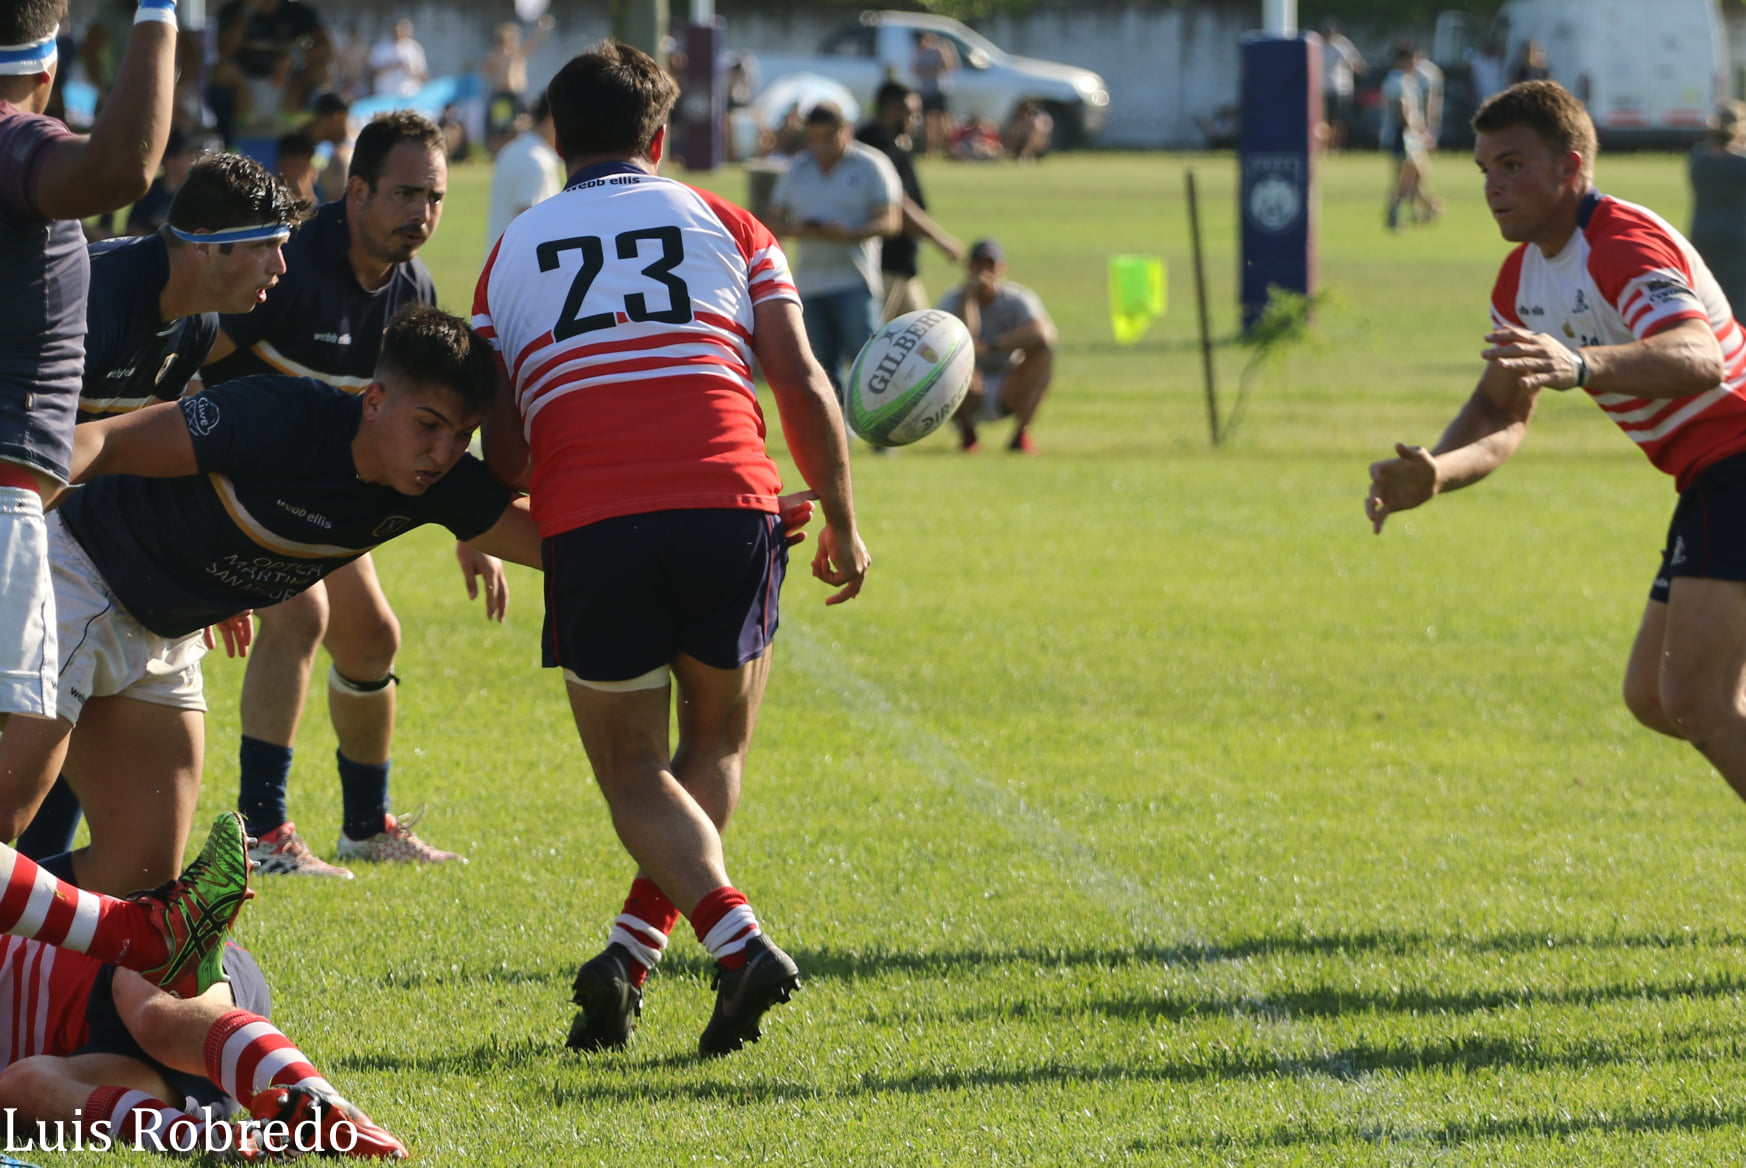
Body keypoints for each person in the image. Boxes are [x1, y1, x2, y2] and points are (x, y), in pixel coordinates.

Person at [473, 40, 870, 1058]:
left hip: (593, 523)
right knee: (717, 746)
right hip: (730, 500)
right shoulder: (728, 222)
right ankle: (634, 956)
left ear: (557, 140)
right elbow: (801, 379)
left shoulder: (510, 251)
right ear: (661, 137)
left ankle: (725, 950)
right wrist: (840, 513)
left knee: (633, 768)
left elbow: (507, 439)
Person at [12, 308, 537, 904]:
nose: (442, 453)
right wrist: (13, 520)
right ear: (374, 400)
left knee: (139, 868)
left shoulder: (437, 484)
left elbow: (563, 547)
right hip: (74, 581)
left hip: (164, 637)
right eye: (428, 424)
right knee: (8, 812)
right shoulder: (281, 416)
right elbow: (101, 441)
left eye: (461, 434)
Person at [1365, 81, 1746, 822]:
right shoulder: (1524, 280)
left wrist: (1582, 364)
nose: (1493, 188)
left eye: (1512, 166)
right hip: (1709, 478)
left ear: (1571, 168)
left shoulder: (1622, 245)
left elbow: (1699, 356)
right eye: (1482, 170)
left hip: (1739, 462)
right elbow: (1497, 411)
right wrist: (1439, 471)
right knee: (1653, 695)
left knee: (1698, 698)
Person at [11, 154, 303, 878]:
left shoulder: (196, 325)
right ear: (206, 242)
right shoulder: (90, 301)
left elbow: (134, 455)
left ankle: (44, 960)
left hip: (73, 557)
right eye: (268, 244)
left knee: (139, 861)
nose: (280, 267)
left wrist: (189, 575)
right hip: (22, 537)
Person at [202, 111, 473, 877]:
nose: (423, 213)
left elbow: (425, 422)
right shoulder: (286, 263)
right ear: (355, 192)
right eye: (406, 193)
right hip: (225, 476)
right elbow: (189, 364)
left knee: (372, 638)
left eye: (436, 197)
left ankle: (365, 826)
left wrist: (471, 530)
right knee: (304, 613)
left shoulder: (410, 289)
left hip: (311, 492)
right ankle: (261, 833)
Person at [0, 940, 405, 1158]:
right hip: (96, 1062)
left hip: (138, 961)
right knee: (20, 1088)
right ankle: (219, 1141)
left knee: (157, 1016)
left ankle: (326, 1106)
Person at [768, 102, 902, 404]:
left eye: (828, 137)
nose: (820, 146)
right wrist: (802, 230)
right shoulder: (798, 169)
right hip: (810, 282)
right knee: (822, 371)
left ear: (846, 130)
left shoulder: (870, 165)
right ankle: (839, 437)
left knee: (868, 365)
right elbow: (774, 220)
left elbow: (891, 220)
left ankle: (883, 434)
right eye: (813, 138)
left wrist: (849, 233)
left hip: (855, 280)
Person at [855, 80, 962, 321]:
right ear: (891, 110)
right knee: (876, 344)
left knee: (921, 341)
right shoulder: (878, 147)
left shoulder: (885, 142)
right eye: (910, 112)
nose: (916, 119)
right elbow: (899, 204)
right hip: (884, 265)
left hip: (902, 266)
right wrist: (941, 240)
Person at [940, 239, 1056, 454]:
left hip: (1007, 383)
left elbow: (1044, 333)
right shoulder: (952, 300)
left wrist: (993, 346)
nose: (984, 272)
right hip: (967, 386)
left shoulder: (1017, 298)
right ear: (968, 267)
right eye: (978, 265)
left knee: (1044, 354)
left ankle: (1020, 435)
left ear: (1002, 268)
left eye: (990, 265)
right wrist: (970, 298)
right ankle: (967, 434)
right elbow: (963, 340)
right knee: (949, 367)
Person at [1688, 101, 1746, 318]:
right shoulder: (1741, 163)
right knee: (1738, 301)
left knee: (1706, 297)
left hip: (1702, 232)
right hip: (1737, 235)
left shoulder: (1697, 157)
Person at [485, 92, 561, 247]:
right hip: (522, 266)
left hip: (502, 263)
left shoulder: (513, 149)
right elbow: (529, 226)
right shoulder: (537, 162)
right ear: (551, 120)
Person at [481, 13, 554, 153]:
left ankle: (517, 149)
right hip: (501, 94)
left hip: (517, 94)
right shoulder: (496, 55)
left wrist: (541, 29)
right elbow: (485, 71)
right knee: (500, 127)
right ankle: (499, 152)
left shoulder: (517, 53)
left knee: (524, 122)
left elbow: (534, 43)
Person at [1379, 44, 1426, 232]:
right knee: (1404, 177)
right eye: (1412, 59)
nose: (1415, 63)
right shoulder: (1396, 80)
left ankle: (1415, 212)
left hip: (1408, 135)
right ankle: (1394, 213)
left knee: (1416, 174)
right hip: (1401, 135)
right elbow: (1402, 109)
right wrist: (1413, 129)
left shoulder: (1408, 80)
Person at [125, 127, 200, 236]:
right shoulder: (149, 190)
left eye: (194, 154)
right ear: (170, 160)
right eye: (188, 155)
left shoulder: (195, 193)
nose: (193, 160)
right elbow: (132, 229)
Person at [910, 30, 958, 156]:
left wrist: (932, 68)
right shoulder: (918, 52)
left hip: (939, 89)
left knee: (942, 120)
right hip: (925, 90)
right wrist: (932, 70)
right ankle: (930, 149)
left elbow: (948, 66)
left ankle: (943, 148)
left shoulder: (938, 50)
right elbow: (916, 69)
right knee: (927, 122)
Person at [1320, 19, 1365, 152]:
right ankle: (1325, 146)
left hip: (1340, 89)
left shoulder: (1342, 45)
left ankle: (1335, 146)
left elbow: (1357, 64)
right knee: (1324, 120)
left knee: (1338, 121)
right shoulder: (1318, 45)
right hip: (1322, 89)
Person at [368, 19, 425, 100]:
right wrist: (391, 66)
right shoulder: (380, 47)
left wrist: (408, 68)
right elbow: (373, 72)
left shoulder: (414, 48)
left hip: (410, 94)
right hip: (385, 94)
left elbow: (422, 73)